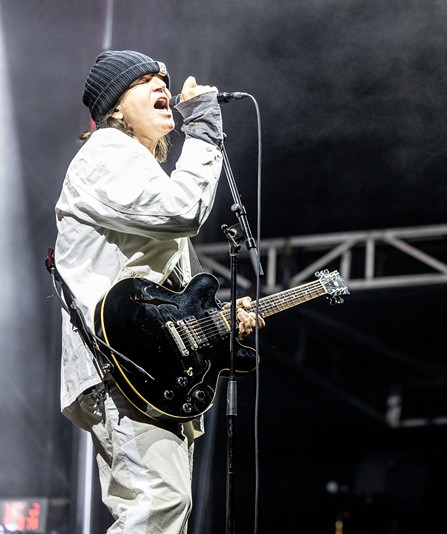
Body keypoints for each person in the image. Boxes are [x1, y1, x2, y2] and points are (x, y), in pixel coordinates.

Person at [53, 50, 261, 533]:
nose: (161, 85)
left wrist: (219, 321)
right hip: (123, 365)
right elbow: (182, 210)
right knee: (158, 505)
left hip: (153, 369)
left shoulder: (138, 168)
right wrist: (206, 131)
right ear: (115, 109)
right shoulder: (105, 153)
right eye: (144, 81)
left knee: (164, 509)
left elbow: (169, 294)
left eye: (161, 78)